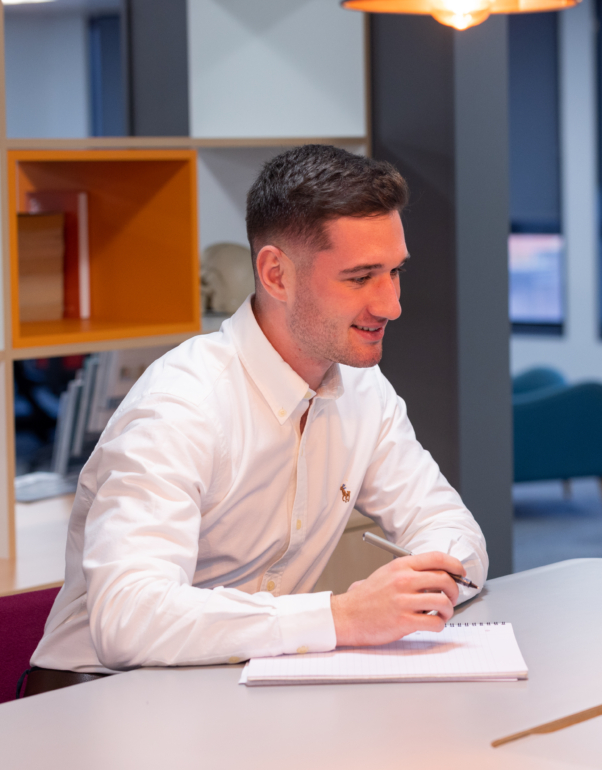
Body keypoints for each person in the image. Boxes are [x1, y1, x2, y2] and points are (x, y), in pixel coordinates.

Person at [27, 145, 487, 686]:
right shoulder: (181, 405)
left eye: (394, 272)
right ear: (276, 274)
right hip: (98, 695)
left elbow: (453, 528)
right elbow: (127, 620)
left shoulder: (364, 390)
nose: (391, 305)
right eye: (361, 278)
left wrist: (431, 575)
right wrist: (341, 617)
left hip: (242, 682)